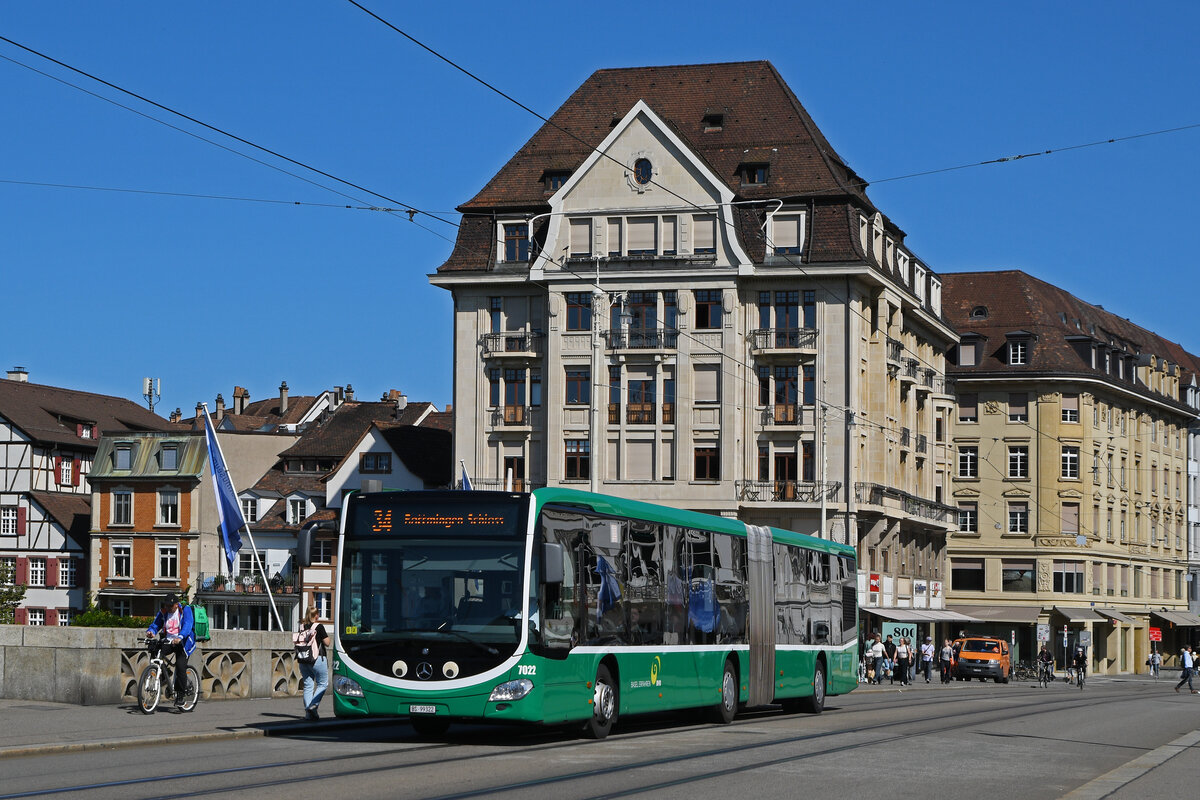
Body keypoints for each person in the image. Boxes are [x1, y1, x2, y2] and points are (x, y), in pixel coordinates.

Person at [145, 593, 196, 706]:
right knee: (155, 649)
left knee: (180, 666)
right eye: (166, 605)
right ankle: (164, 673)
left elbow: (188, 624)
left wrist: (180, 636)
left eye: (170, 606)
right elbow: (156, 624)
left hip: (183, 642)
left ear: (177, 605)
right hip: (169, 641)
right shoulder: (163, 612)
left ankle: (181, 695)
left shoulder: (185, 610)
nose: (168, 608)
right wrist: (151, 632)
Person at [296, 606, 332, 719]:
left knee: (308, 685)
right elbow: (327, 643)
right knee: (323, 684)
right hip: (317, 659)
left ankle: (309, 714)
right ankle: (313, 705)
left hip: (303, 659)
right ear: (316, 615)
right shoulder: (318, 627)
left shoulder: (301, 627)